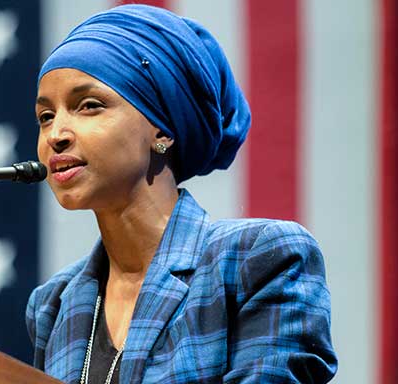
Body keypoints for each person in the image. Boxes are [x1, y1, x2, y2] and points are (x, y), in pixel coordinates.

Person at [26, 5, 336, 383]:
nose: (56, 134)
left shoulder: (259, 259)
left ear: (163, 130)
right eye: (46, 116)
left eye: (89, 106)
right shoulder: (53, 304)